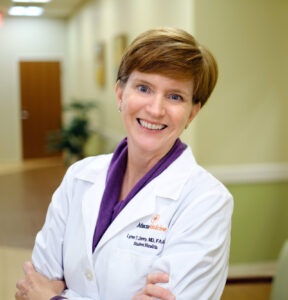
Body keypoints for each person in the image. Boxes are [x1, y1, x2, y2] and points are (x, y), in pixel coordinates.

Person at [16, 27, 233, 300]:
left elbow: (42, 293)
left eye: (175, 96)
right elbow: (35, 282)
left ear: (192, 112)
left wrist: (54, 297)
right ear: (120, 94)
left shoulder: (207, 201)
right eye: (144, 88)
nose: (155, 109)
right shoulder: (79, 177)